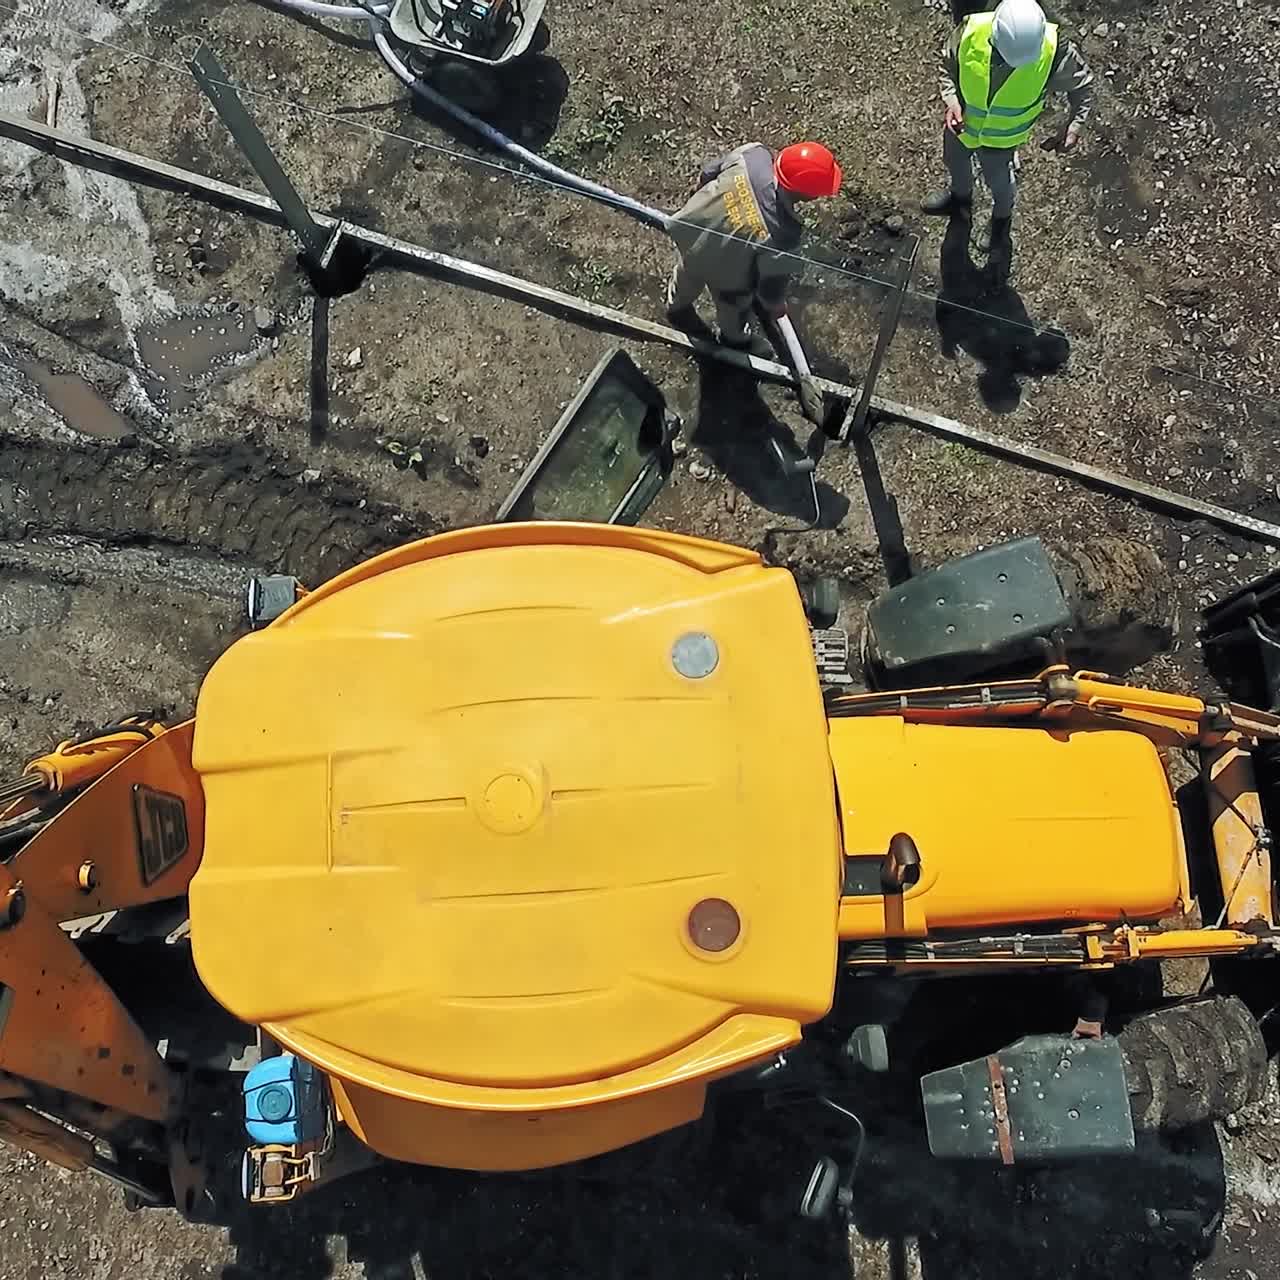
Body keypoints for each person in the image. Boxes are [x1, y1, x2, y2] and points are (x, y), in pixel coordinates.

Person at [921, 0, 1095, 247]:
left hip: (1002, 141)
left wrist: (1074, 125)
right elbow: (948, 64)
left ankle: (1001, 222)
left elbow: (1083, 86)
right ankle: (959, 200)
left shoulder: (1056, 50)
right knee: (954, 162)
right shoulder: (970, 31)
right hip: (961, 128)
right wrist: (952, 101)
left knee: (1000, 183)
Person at [665, 141, 842, 357]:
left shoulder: (752, 154)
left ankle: (676, 308)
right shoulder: (785, 234)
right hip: (725, 275)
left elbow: (708, 173)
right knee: (733, 306)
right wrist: (776, 305)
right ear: (808, 194)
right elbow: (770, 288)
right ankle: (735, 341)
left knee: (687, 272)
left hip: (689, 232)